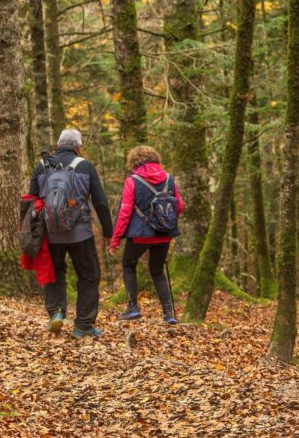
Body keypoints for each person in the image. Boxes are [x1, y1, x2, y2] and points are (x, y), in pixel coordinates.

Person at [29, 129, 113, 338]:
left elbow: (32, 201)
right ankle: (83, 325)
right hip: (80, 233)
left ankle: (56, 312)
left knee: (55, 271)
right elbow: (101, 202)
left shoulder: (41, 166)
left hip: (50, 232)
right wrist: (108, 231)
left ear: (58, 144)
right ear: (78, 146)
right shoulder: (85, 166)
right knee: (89, 275)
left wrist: (32, 233)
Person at [110, 145, 184, 324]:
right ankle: (169, 314)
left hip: (140, 235)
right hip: (164, 234)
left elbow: (125, 212)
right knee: (157, 271)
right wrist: (164, 221)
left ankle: (133, 308)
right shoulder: (169, 179)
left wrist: (116, 239)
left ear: (134, 161)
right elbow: (179, 206)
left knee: (128, 264)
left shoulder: (132, 181)